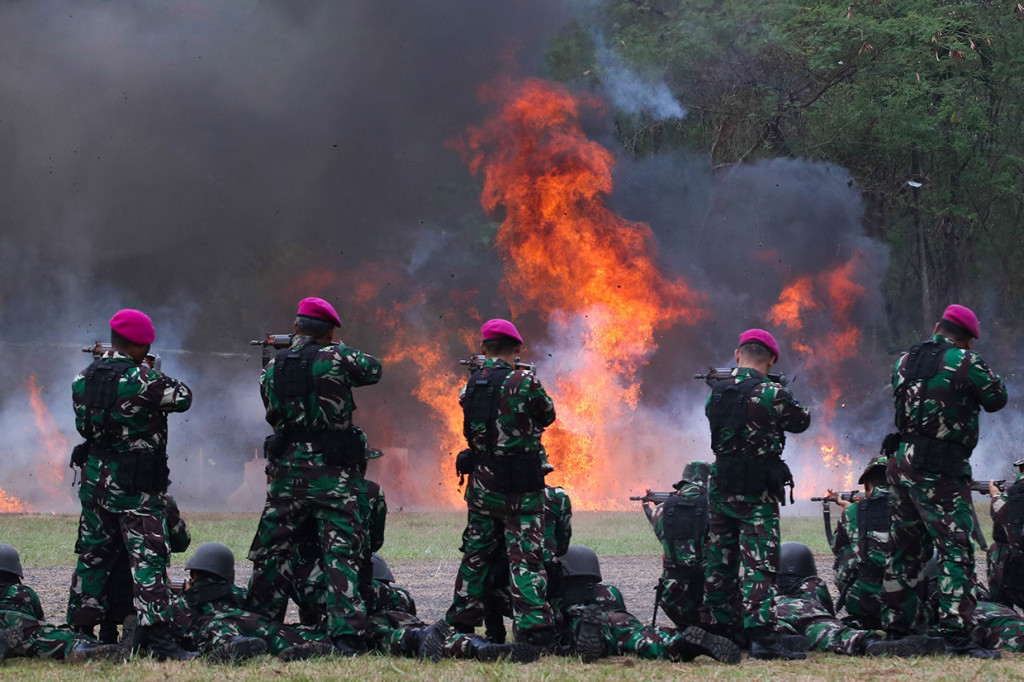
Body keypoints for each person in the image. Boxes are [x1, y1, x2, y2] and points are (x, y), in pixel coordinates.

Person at [245, 297, 382, 654]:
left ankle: (259, 627)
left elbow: (270, 408)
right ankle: (347, 636)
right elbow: (373, 369)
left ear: (295, 329)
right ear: (331, 330)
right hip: (333, 475)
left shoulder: (272, 368)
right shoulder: (337, 358)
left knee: (273, 554)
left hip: (287, 472)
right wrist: (336, 348)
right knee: (341, 553)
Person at [67, 308, 195, 660]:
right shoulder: (143, 380)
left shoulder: (82, 378)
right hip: (136, 485)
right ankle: (157, 638)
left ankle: (81, 632)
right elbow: (183, 397)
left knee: (93, 557)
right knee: (148, 559)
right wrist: (150, 371)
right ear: (142, 345)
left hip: (95, 482)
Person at [881, 304, 1007, 658]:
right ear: (967, 339)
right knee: (955, 547)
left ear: (938, 327)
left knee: (904, 547)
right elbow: (997, 398)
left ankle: (898, 629)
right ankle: (957, 635)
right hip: (940, 466)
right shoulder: (966, 361)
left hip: (901, 461)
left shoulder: (903, 361)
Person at [445, 319, 558, 650]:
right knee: (525, 556)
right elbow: (547, 415)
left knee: (476, 554)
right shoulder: (526, 381)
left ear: (483, 349)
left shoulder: (471, 385)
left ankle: (463, 622)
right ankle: (534, 629)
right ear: (518, 349)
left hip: (482, 486)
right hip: (520, 488)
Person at [699, 329, 811, 660]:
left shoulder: (715, 395)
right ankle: (762, 637)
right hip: (756, 489)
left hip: (721, 485)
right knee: (759, 562)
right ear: (772, 359)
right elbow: (801, 421)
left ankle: (719, 628)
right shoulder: (772, 393)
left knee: (720, 558)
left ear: (737, 355)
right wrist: (783, 392)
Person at [556, 545, 740, 664]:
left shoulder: (561, 593)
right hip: (618, 619)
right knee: (641, 637)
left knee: (579, 628)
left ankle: (590, 632)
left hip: (584, 618)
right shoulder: (609, 591)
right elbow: (620, 608)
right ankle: (680, 643)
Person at [168, 542, 335, 663]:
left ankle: (234, 645)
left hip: (218, 628)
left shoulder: (186, 600)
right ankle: (315, 639)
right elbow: (251, 598)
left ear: (194, 573)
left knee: (218, 633)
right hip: (249, 622)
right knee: (276, 633)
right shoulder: (233, 592)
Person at [774, 542, 938, 657]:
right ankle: (868, 643)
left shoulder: (769, 588)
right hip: (806, 613)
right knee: (835, 633)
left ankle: (780, 637)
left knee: (772, 628)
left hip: (774, 614)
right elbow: (827, 611)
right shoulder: (813, 586)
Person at [0, 543, 127, 662]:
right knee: (51, 638)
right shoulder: (22, 591)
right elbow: (41, 621)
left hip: (7, 632)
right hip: (19, 623)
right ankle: (84, 648)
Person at [648, 460, 710, 629]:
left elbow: (665, 536)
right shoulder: (717, 510)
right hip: (711, 599)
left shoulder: (659, 511)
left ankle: (686, 630)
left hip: (673, 599)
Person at [830, 455, 889, 630]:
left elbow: (836, 546)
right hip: (907, 598)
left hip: (867, 602)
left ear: (867, 485)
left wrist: (850, 511)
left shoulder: (854, 511)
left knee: (847, 550)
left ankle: (860, 613)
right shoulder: (911, 507)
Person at [986, 457, 1024, 610]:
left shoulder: (1012, 495)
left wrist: (995, 495)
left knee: (998, 548)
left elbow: (999, 524)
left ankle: (1001, 610)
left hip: (1018, 582)